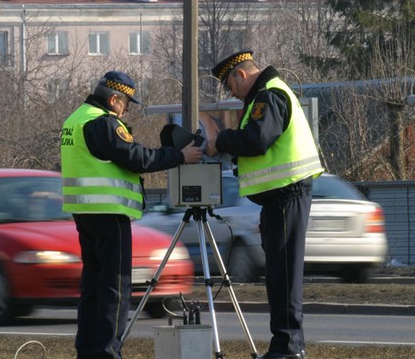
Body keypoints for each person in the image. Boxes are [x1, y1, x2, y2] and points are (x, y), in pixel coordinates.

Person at [60, 70, 202, 359]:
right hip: (109, 212)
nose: (126, 111)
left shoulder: (75, 119)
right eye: (126, 103)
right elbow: (137, 158)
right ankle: (108, 351)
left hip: (84, 211)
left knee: (93, 286)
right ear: (114, 99)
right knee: (116, 285)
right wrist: (179, 156)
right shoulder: (104, 124)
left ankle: (88, 351)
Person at [205, 51, 324, 359]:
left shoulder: (268, 96)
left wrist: (222, 141)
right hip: (278, 198)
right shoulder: (267, 95)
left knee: (283, 275)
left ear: (240, 75)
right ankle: (286, 344)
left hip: (287, 194)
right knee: (279, 274)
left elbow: (256, 140)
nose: (231, 93)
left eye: (230, 85)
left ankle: (288, 348)